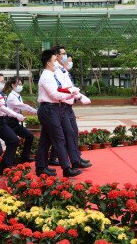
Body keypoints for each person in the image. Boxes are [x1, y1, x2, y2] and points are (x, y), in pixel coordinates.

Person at [35, 49, 82, 178]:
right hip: (49, 109)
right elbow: (55, 95)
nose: (58, 62)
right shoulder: (46, 77)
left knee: (46, 139)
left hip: (54, 109)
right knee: (59, 138)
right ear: (49, 63)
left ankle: (41, 167)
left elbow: (59, 91)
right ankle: (66, 168)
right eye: (55, 60)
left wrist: (70, 92)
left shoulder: (52, 75)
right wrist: (71, 93)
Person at [51, 46, 92, 170]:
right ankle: (74, 160)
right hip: (61, 106)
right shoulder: (56, 71)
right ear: (56, 56)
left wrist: (79, 96)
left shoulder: (63, 71)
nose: (65, 56)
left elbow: (70, 87)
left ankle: (75, 158)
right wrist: (79, 96)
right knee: (69, 133)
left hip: (68, 106)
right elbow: (65, 89)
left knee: (72, 132)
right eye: (63, 54)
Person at [0, 73, 24, 171]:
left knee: (14, 140)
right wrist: (15, 115)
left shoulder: (1, 93)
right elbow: (1, 107)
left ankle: (6, 164)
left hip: (2, 121)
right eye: (1, 81)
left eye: (3, 81)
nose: (3, 83)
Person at [4, 77, 37, 163]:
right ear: (13, 85)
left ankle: (25, 157)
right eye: (19, 84)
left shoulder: (18, 95)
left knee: (29, 136)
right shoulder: (11, 97)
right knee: (12, 141)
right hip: (9, 122)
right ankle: (7, 162)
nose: (21, 86)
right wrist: (36, 111)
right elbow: (23, 106)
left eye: (21, 84)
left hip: (15, 122)